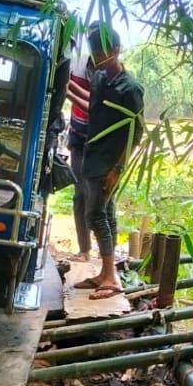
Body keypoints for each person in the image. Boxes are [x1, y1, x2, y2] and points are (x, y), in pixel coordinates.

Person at [73, 24, 145, 300]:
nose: (97, 55)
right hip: (93, 157)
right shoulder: (101, 79)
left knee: (95, 215)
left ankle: (110, 277)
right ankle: (105, 273)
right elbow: (93, 108)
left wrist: (118, 169)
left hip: (108, 162)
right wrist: (67, 87)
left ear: (116, 49)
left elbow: (135, 134)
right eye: (94, 50)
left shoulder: (130, 88)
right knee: (107, 214)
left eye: (102, 49)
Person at [65, 42, 94, 260]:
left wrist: (66, 89)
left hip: (97, 141)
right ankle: (84, 250)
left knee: (97, 195)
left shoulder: (108, 73)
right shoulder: (76, 64)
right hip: (77, 136)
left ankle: (103, 251)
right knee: (79, 195)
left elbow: (95, 105)